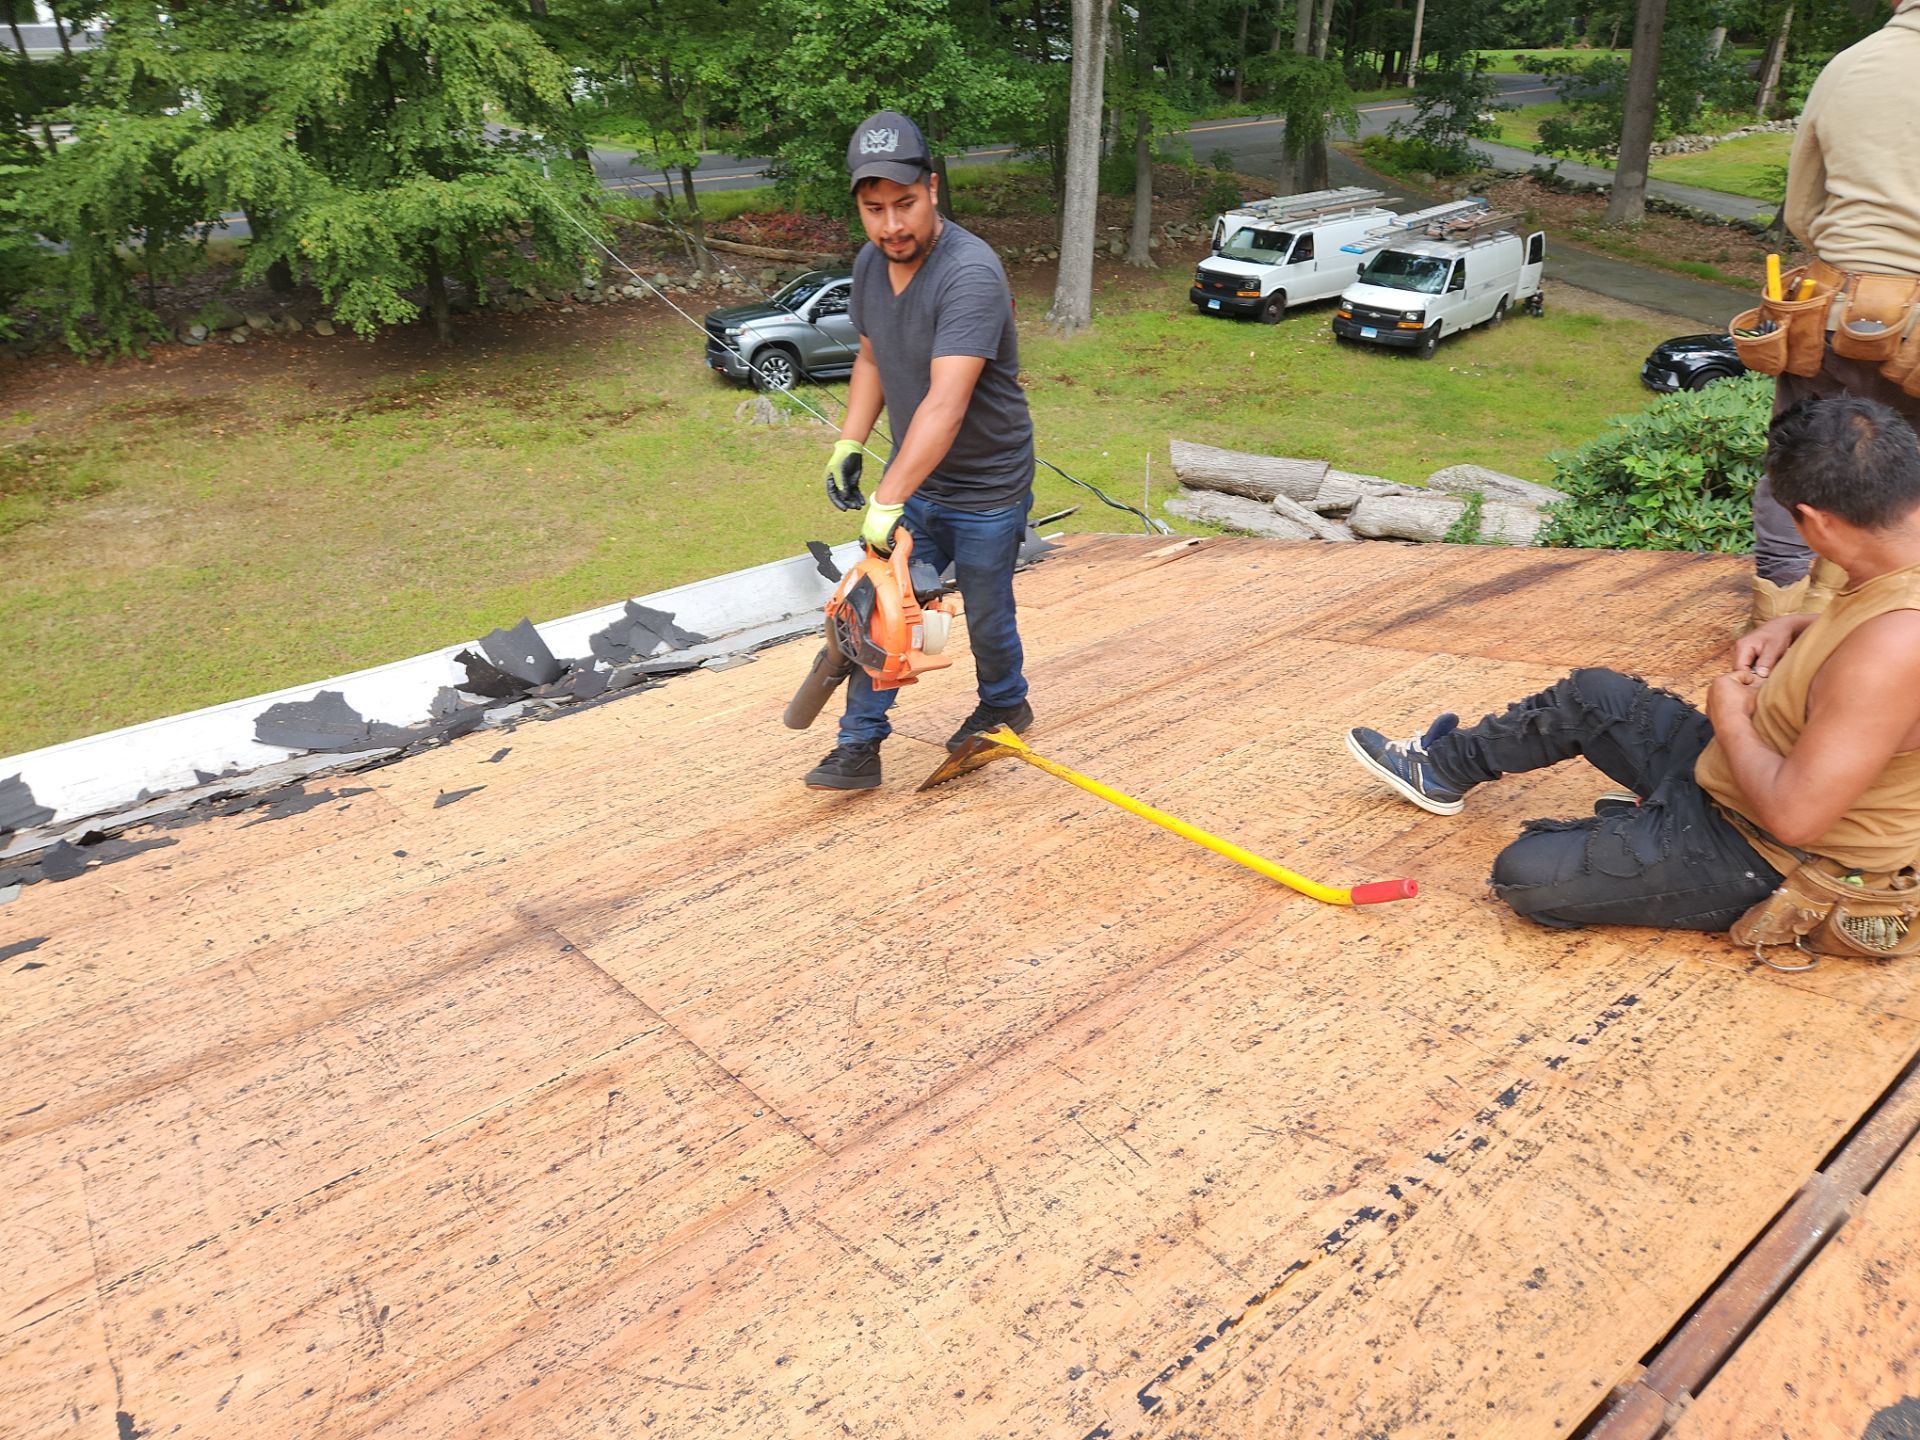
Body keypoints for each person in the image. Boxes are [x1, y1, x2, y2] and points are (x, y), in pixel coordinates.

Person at [1346, 397, 1920, 931]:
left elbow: (1796, 817)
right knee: (1592, 694)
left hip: (1778, 853)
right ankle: (1440, 768)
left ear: (1817, 521)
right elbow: (1868, 643)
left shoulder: (1894, 647)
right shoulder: (1895, 556)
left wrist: (1730, 717)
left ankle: (1662, 826)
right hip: (1741, 777)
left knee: (1526, 874)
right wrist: (1796, 625)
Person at [803, 110, 1037, 792]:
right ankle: (859, 746)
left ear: (932, 188)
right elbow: (872, 357)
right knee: (879, 606)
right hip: (919, 478)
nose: (891, 226)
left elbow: (945, 403)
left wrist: (886, 498)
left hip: (988, 485)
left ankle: (1006, 701)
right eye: (874, 210)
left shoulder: (970, 273)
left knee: (986, 614)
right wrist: (850, 440)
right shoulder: (870, 266)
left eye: (904, 203)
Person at [1752, 0, 1920, 624]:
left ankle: (1780, 616)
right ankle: (1889, 635)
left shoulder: (1851, 64)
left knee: (1807, 461)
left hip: (1836, 305)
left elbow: (1802, 210)